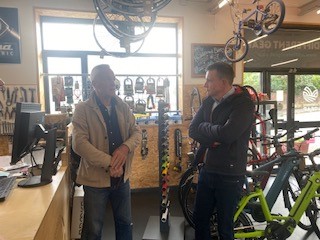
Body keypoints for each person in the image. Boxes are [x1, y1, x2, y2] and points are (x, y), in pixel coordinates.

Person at [72, 64, 141, 240]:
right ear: (95, 83)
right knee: (93, 229)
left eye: (113, 78)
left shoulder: (123, 106)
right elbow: (79, 144)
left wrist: (125, 148)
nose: (113, 82)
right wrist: (111, 162)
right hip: (95, 181)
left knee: (125, 223)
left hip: (121, 178)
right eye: (108, 79)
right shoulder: (82, 109)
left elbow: (136, 132)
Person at [189, 62, 254, 240]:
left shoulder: (243, 104)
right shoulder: (209, 101)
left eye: (209, 81)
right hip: (207, 169)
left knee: (225, 226)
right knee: (200, 219)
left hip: (230, 174)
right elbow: (193, 129)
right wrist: (213, 135)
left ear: (223, 82)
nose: (205, 85)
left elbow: (227, 134)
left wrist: (207, 128)